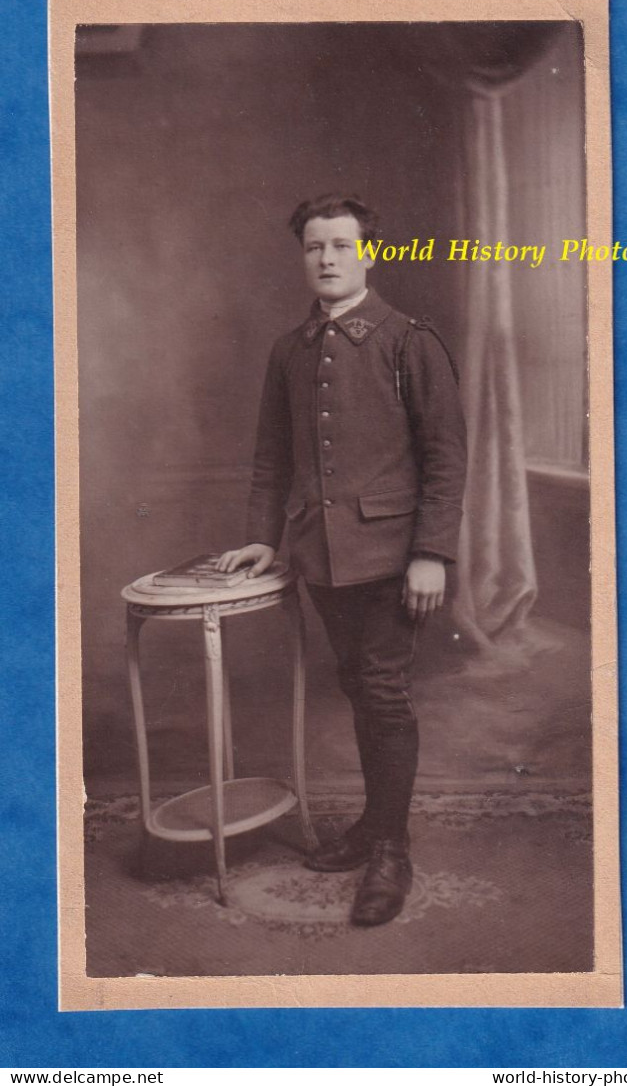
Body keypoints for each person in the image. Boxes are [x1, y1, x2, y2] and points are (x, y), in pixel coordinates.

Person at [217, 193, 467, 926]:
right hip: (321, 557)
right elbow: (272, 457)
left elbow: (446, 459)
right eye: (313, 247)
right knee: (361, 686)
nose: (326, 258)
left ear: (370, 254)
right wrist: (266, 535)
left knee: (383, 690)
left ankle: (391, 849)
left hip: (394, 560)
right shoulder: (289, 348)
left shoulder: (409, 340)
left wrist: (431, 553)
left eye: (341, 245)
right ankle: (375, 825)